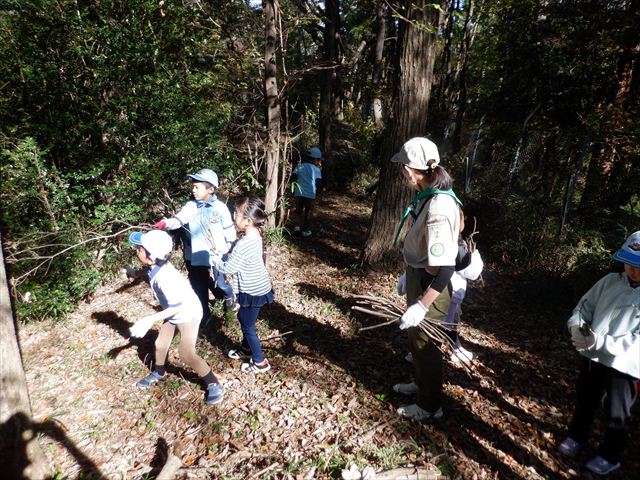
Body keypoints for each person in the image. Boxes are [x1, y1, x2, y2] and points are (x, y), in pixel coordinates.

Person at [391, 137, 462, 421]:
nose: (402, 173)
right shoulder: (428, 195)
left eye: (403, 168)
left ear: (410, 170)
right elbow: (423, 247)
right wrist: (407, 273)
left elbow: (445, 268)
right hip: (418, 276)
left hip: (431, 286)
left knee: (426, 345)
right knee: (415, 341)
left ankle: (430, 405)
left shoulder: (438, 207)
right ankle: (421, 386)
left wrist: (422, 305)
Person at [557, 231, 640, 475]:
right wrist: (578, 326)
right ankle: (576, 436)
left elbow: (635, 341)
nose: (632, 270)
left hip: (625, 364)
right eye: (629, 263)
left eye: (638, 266)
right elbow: (586, 305)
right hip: (593, 355)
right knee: (586, 398)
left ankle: (610, 454)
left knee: (617, 411)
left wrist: (599, 341)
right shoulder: (610, 281)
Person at [124, 229, 224, 405]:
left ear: (151, 256)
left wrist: (149, 319)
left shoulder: (165, 278)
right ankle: (160, 371)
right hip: (173, 311)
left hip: (187, 313)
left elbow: (177, 307)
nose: (137, 250)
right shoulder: (155, 264)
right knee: (160, 344)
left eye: (140, 249)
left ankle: (213, 383)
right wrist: (133, 273)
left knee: (186, 354)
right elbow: (147, 272)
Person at [154, 168, 237, 327]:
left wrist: (230, 248)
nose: (194, 190)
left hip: (218, 254)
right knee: (199, 285)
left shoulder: (219, 208)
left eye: (197, 187)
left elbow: (229, 230)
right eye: (193, 187)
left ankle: (230, 301)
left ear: (210, 189)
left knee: (221, 283)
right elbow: (179, 219)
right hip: (196, 255)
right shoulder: (191, 206)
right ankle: (204, 315)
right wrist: (166, 223)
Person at [211, 197, 275, 373]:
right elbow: (240, 259)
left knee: (247, 326)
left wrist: (216, 259)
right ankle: (246, 349)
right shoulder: (256, 236)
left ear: (247, 221)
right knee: (244, 319)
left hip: (252, 290)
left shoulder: (244, 244)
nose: (234, 216)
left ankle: (260, 362)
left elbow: (230, 268)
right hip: (258, 287)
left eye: (237, 214)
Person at [444, 249, 484, 363]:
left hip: (434, 289)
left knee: (441, 320)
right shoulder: (457, 245)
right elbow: (472, 272)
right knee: (447, 323)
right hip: (450, 292)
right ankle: (455, 351)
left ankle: (456, 347)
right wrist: (476, 256)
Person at [291, 147, 323, 237]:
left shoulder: (299, 166)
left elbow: (293, 177)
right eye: (319, 160)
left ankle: (296, 228)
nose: (319, 162)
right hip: (310, 194)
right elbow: (319, 183)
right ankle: (305, 230)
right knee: (308, 212)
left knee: (298, 211)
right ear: (315, 159)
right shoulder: (316, 170)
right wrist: (317, 193)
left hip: (298, 193)